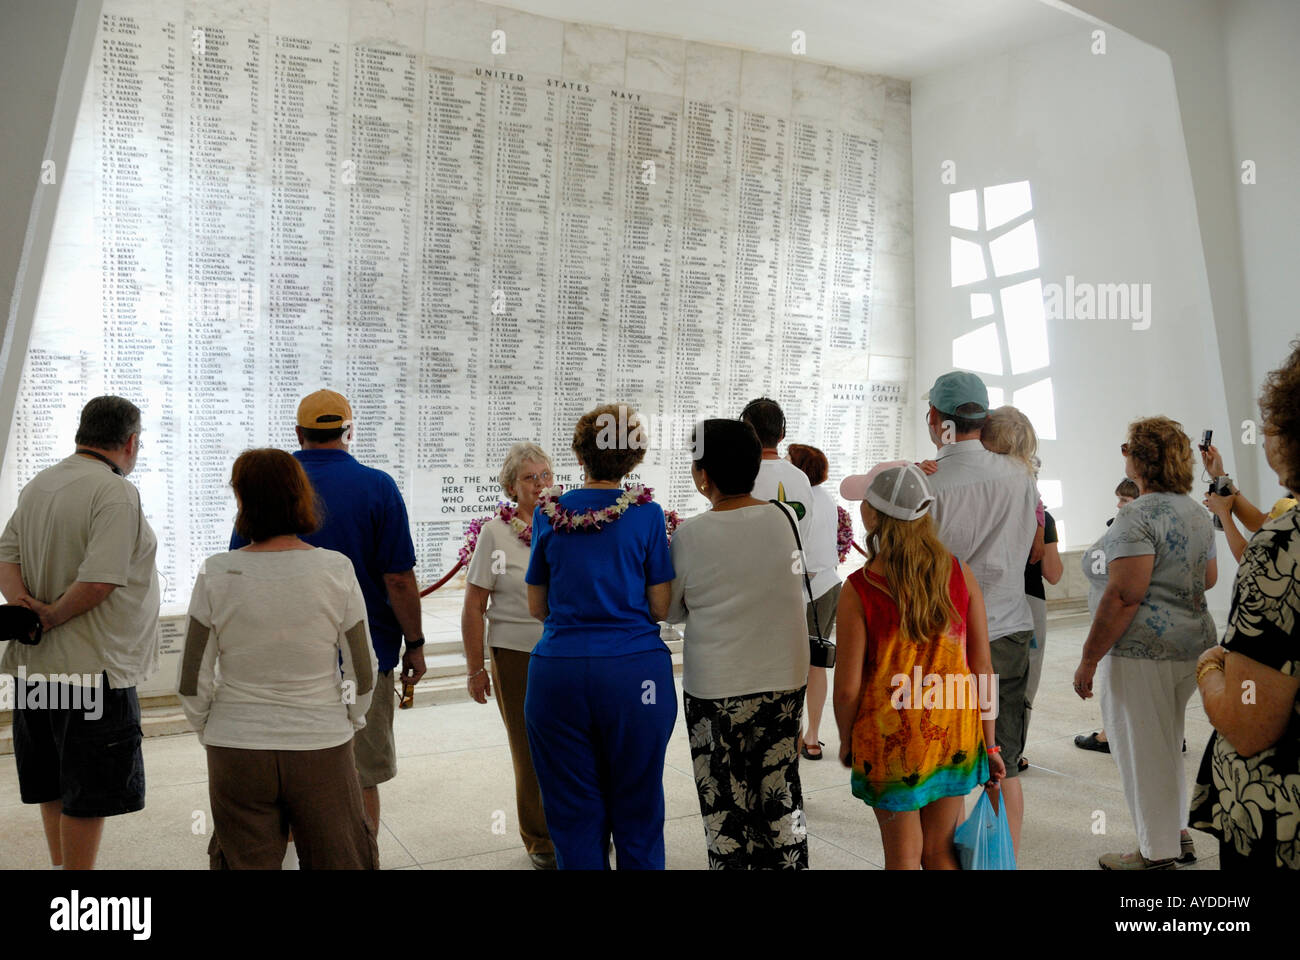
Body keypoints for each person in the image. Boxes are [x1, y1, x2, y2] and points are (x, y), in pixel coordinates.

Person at [230, 390, 423, 842]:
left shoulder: (272, 484)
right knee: (361, 774)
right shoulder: (378, 486)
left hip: (281, 658)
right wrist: (413, 643)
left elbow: (242, 565)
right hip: (362, 658)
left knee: (289, 770)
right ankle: (360, 856)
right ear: (349, 432)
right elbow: (398, 579)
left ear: (299, 433)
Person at [180, 449, 378, 869]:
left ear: (242, 499)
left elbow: (191, 673)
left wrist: (208, 725)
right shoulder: (335, 569)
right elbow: (362, 668)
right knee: (339, 857)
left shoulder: (216, 572)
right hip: (321, 742)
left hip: (236, 746)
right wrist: (352, 719)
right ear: (300, 497)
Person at [0, 396, 159, 870]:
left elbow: (6, 555)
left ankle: (63, 874)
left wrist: (23, 607)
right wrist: (47, 615)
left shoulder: (41, 483)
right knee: (88, 789)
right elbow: (101, 579)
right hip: (93, 669)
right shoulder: (114, 492)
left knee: (52, 779)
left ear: (82, 433)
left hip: (36, 668)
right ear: (130, 442)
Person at [524, 404, 677, 869]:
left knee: (571, 812)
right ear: (634, 458)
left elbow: (536, 606)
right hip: (635, 675)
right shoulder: (646, 515)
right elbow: (660, 606)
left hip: (559, 671)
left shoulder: (549, 513)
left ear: (579, 452)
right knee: (638, 804)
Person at [833, 461, 1004, 869]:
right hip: (954, 731)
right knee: (939, 851)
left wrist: (846, 738)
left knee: (903, 856)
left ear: (873, 515)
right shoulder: (959, 573)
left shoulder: (860, 588)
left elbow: (848, 687)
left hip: (891, 739)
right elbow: (982, 665)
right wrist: (990, 740)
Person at [1072, 417, 1217, 870]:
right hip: (1192, 646)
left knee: (1141, 751)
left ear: (1140, 459)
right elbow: (1208, 578)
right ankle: (1175, 835)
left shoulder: (1136, 516)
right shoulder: (1195, 511)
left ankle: (1155, 856)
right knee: (1167, 743)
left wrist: (1088, 659)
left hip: (1143, 652)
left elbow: (1123, 596)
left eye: (1127, 448)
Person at [667, 420, 810, 869]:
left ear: (704, 475)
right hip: (784, 680)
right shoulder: (783, 519)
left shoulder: (691, 535)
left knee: (726, 807)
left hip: (717, 688)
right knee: (780, 794)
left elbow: (670, 611)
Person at [1190, 339, 1300, 870]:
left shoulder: (1284, 547)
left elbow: (1248, 722)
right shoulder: (1286, 522)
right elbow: (1263, 521)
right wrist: (1221, 478)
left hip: (1280, 818)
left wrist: (1211, 669)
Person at [920, 372, 1037, 855]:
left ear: (935, 420)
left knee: (943, 767)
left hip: (946, 638)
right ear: (983, 419)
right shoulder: (1020, 475)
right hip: (1009, 628)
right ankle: (999, 861)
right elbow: (1029, 548)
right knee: (1002, 758)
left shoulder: (929, 483)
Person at [461, 442, 556, 869]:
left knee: (571, 745)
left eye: (545, 476)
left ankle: (577, 827)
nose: (540, 485)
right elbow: (473, 604)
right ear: (512, 486)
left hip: (565, 650)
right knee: (529, 748)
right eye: (529, 478)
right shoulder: (495, 533)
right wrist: (475, 668)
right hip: (516, 652)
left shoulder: (565, 524)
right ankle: (540, 839)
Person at [978, 407, 1062, 771]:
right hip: (1023, 608)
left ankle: (987, 751)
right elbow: (1052, 571)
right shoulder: (1036, 506)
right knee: (1016, 690)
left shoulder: (982, 495)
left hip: (988, 604)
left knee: (985, 689)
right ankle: (1009, 754)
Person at [741, 398, 819, 756]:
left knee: (749, 688)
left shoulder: (742, 473)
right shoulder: (800, 478)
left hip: (748, 595)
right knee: (788, 687)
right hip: (791, 592)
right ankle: (787, 761)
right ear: (783, 433)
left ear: (747, 432)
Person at [1076, 477, 1141, 755]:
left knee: (1117, 681)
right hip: (1130, 621)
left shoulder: (1130, 532)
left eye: (1124, 500)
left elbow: (1093, 565)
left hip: (1119, 622)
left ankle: (1110, 735)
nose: (1118, 505)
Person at [787, 443, 842, 763]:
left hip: (805, 588)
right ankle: (812, 737)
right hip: (828, 584)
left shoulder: (801, 501)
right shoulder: (828, 499)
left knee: (794, 667)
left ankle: (795, 734)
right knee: (817, 664)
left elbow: (801, 556)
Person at [1199, 441, 1296, 562]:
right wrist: (1220, 475)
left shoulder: (1289, 509)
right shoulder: (1289, 507)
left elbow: (1249, 559)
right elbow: (1257, 521)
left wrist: (1223, 513)